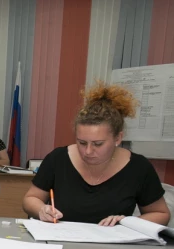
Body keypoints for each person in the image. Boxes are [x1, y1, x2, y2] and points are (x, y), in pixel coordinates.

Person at [22, 81, 170, 226]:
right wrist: (41, 209)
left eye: (98, 144)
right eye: (82, 142)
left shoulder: (139, 167)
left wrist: (127, 222)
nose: (88, 151)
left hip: (114, 247)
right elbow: (30, 199)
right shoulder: (58, 159)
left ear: (118, 138)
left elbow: (161, 214)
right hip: (62, 242)